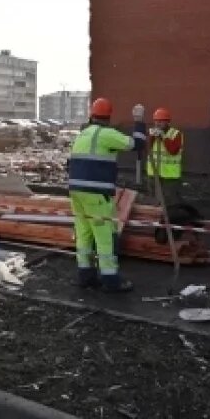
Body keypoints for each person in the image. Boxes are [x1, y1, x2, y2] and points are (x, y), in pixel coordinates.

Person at [68, 97, 137, 293]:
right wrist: (139, 122)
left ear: (92, 114)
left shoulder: (83, 134)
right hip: (96, 194)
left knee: (83, 234)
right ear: (108, 117)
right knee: (105, 235)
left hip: (76, 191)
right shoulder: (107, 134)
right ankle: (110, 280)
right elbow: (134, 144)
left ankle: (85, 276)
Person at [146, 107, 184, 208]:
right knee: (154, 201)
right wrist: (152, 137)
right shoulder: (152, 133)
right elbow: (147, 148)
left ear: (167, 122)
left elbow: (173, 151)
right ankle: (156, 219)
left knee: (170, 202)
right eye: (156, 121)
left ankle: (172, 219)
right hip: (154, 173)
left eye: (161, 121)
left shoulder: (175, 134)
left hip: (170, 176)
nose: (158, 124)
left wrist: (163, 137)